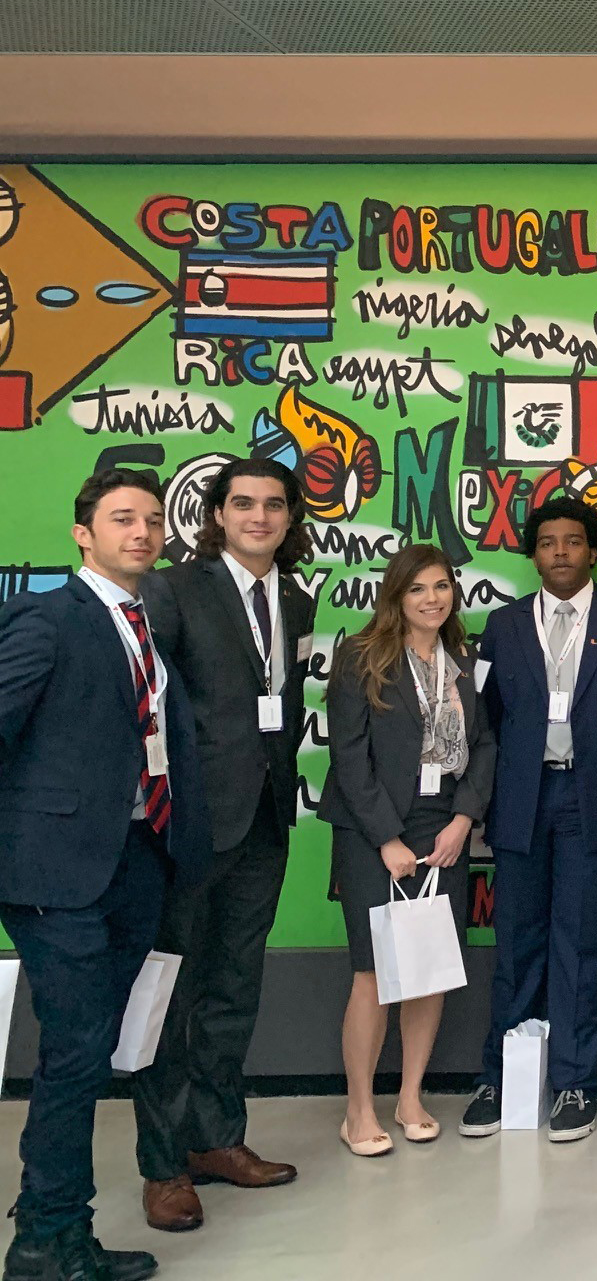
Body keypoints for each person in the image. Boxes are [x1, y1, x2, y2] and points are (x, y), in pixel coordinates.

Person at [0, 468, 211, 1281]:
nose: (143, 532)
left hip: (134, 858)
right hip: (58, 873)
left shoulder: (143, 625)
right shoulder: (49, 618)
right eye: (123, 519)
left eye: (154, 519)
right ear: (83, 534)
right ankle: (48, 1241)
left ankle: (53, 1225)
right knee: (79, 1051)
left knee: (88, 1051)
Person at [132, 458, 315, 1232]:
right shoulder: (174, 590)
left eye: (274, 505)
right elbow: (147, 704)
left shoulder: (297, 597)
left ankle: (217, 1139)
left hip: (269, 820)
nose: (259, 517)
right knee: (172, 992)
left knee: (233, 988)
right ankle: (164, 1165)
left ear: (291, 516)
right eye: (243, 504)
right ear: (216, 513)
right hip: (192, 825)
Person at [459, 498, 597, 1144]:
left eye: (572, 542)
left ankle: (575, 1081)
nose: (559, 554)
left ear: (592, 549)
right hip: (521, 801)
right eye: (547, 543)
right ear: (533, 552)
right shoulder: (502, 625)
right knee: (516, 943)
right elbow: (484, 723)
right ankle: (501, 1078)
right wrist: (478, 804)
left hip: (592, 800)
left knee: (578, 944)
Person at [317, 545, 495, 1157]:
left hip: (442, 827)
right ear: (395, 595)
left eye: (442, 587)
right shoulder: (362, 657)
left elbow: (486, 744)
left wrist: (463, 818)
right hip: (373, 831)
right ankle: (359, 1108)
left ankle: (411, 1095)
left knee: (429, 969)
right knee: (371, 972)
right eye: (417, 589)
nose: (432, 599)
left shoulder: (466, 661)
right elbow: (348, 755)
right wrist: (385, 839)